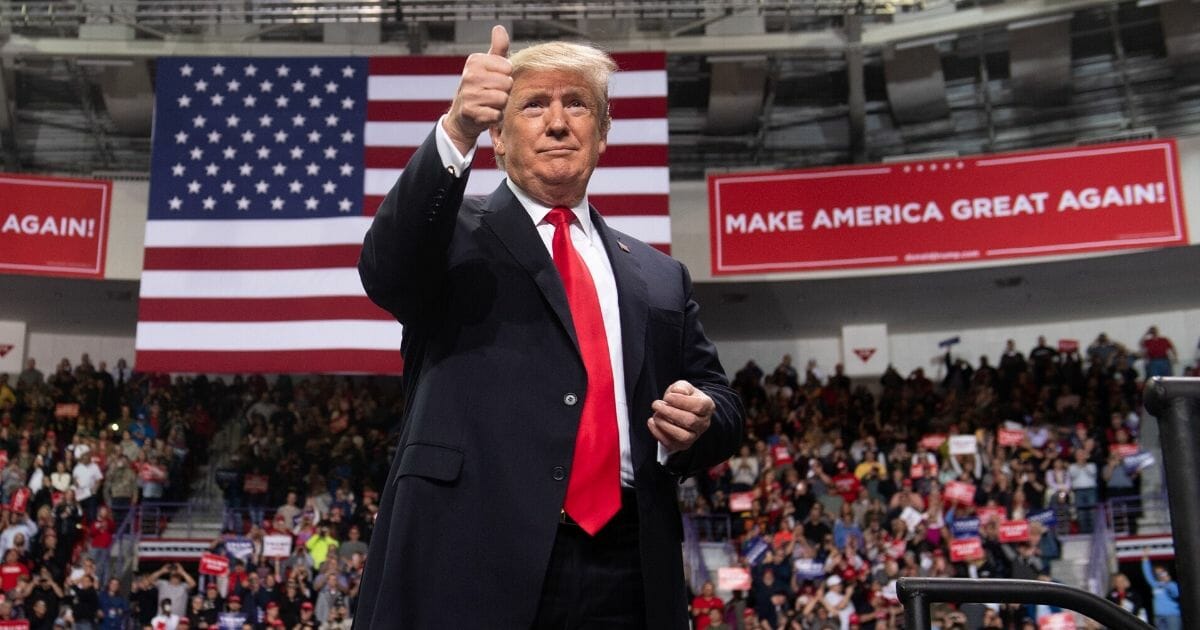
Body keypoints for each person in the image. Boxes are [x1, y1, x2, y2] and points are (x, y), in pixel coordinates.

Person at [354, 24, 742, 630]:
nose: (558, 122)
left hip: (630, 563)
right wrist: (455, 128)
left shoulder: (662, 276)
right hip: (474, 550)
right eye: (534, 105)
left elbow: (720, 398)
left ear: (603, 135)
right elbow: (385, 270)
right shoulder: (451, 235)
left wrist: (702, 417)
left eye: (577, 104)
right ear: (499, 138)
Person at [1141, 549, 1180, 630]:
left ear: (1166, 572)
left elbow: (1176, 594)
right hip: (1158, 615)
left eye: (1161, 572)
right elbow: (1147, 574)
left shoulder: (1172, 584)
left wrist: (1168, 583)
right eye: (1157, 573)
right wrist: (1145, 559)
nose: (1159, 575)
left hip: (1172, 615)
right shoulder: (1155, 584)